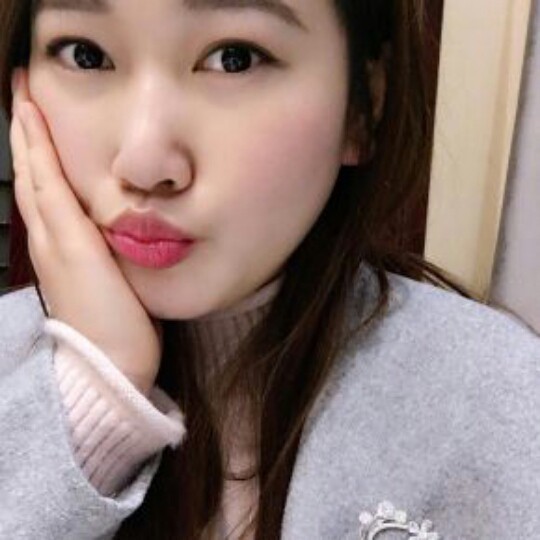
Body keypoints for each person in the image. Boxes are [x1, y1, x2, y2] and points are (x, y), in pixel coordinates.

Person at [0, 0, 539, 539]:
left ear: (362, 105)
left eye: (235, 58)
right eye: (86, 55)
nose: (144, 163)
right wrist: (94, 390)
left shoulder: (502, 403)